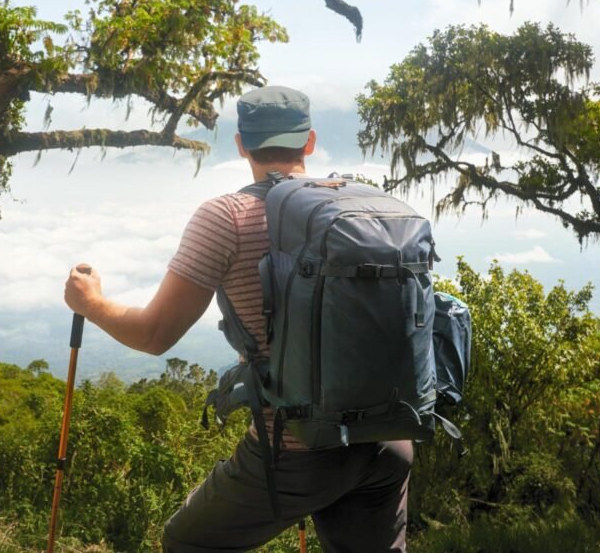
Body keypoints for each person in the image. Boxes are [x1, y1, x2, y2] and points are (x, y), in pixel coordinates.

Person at [63, 86, 413, 552]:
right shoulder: (365, 206)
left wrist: (91, 303)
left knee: (187, 542)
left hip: (296, 449)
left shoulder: (226, 217)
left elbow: (154, 334)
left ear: (241, 145)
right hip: (387, 438)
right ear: (309, 142)